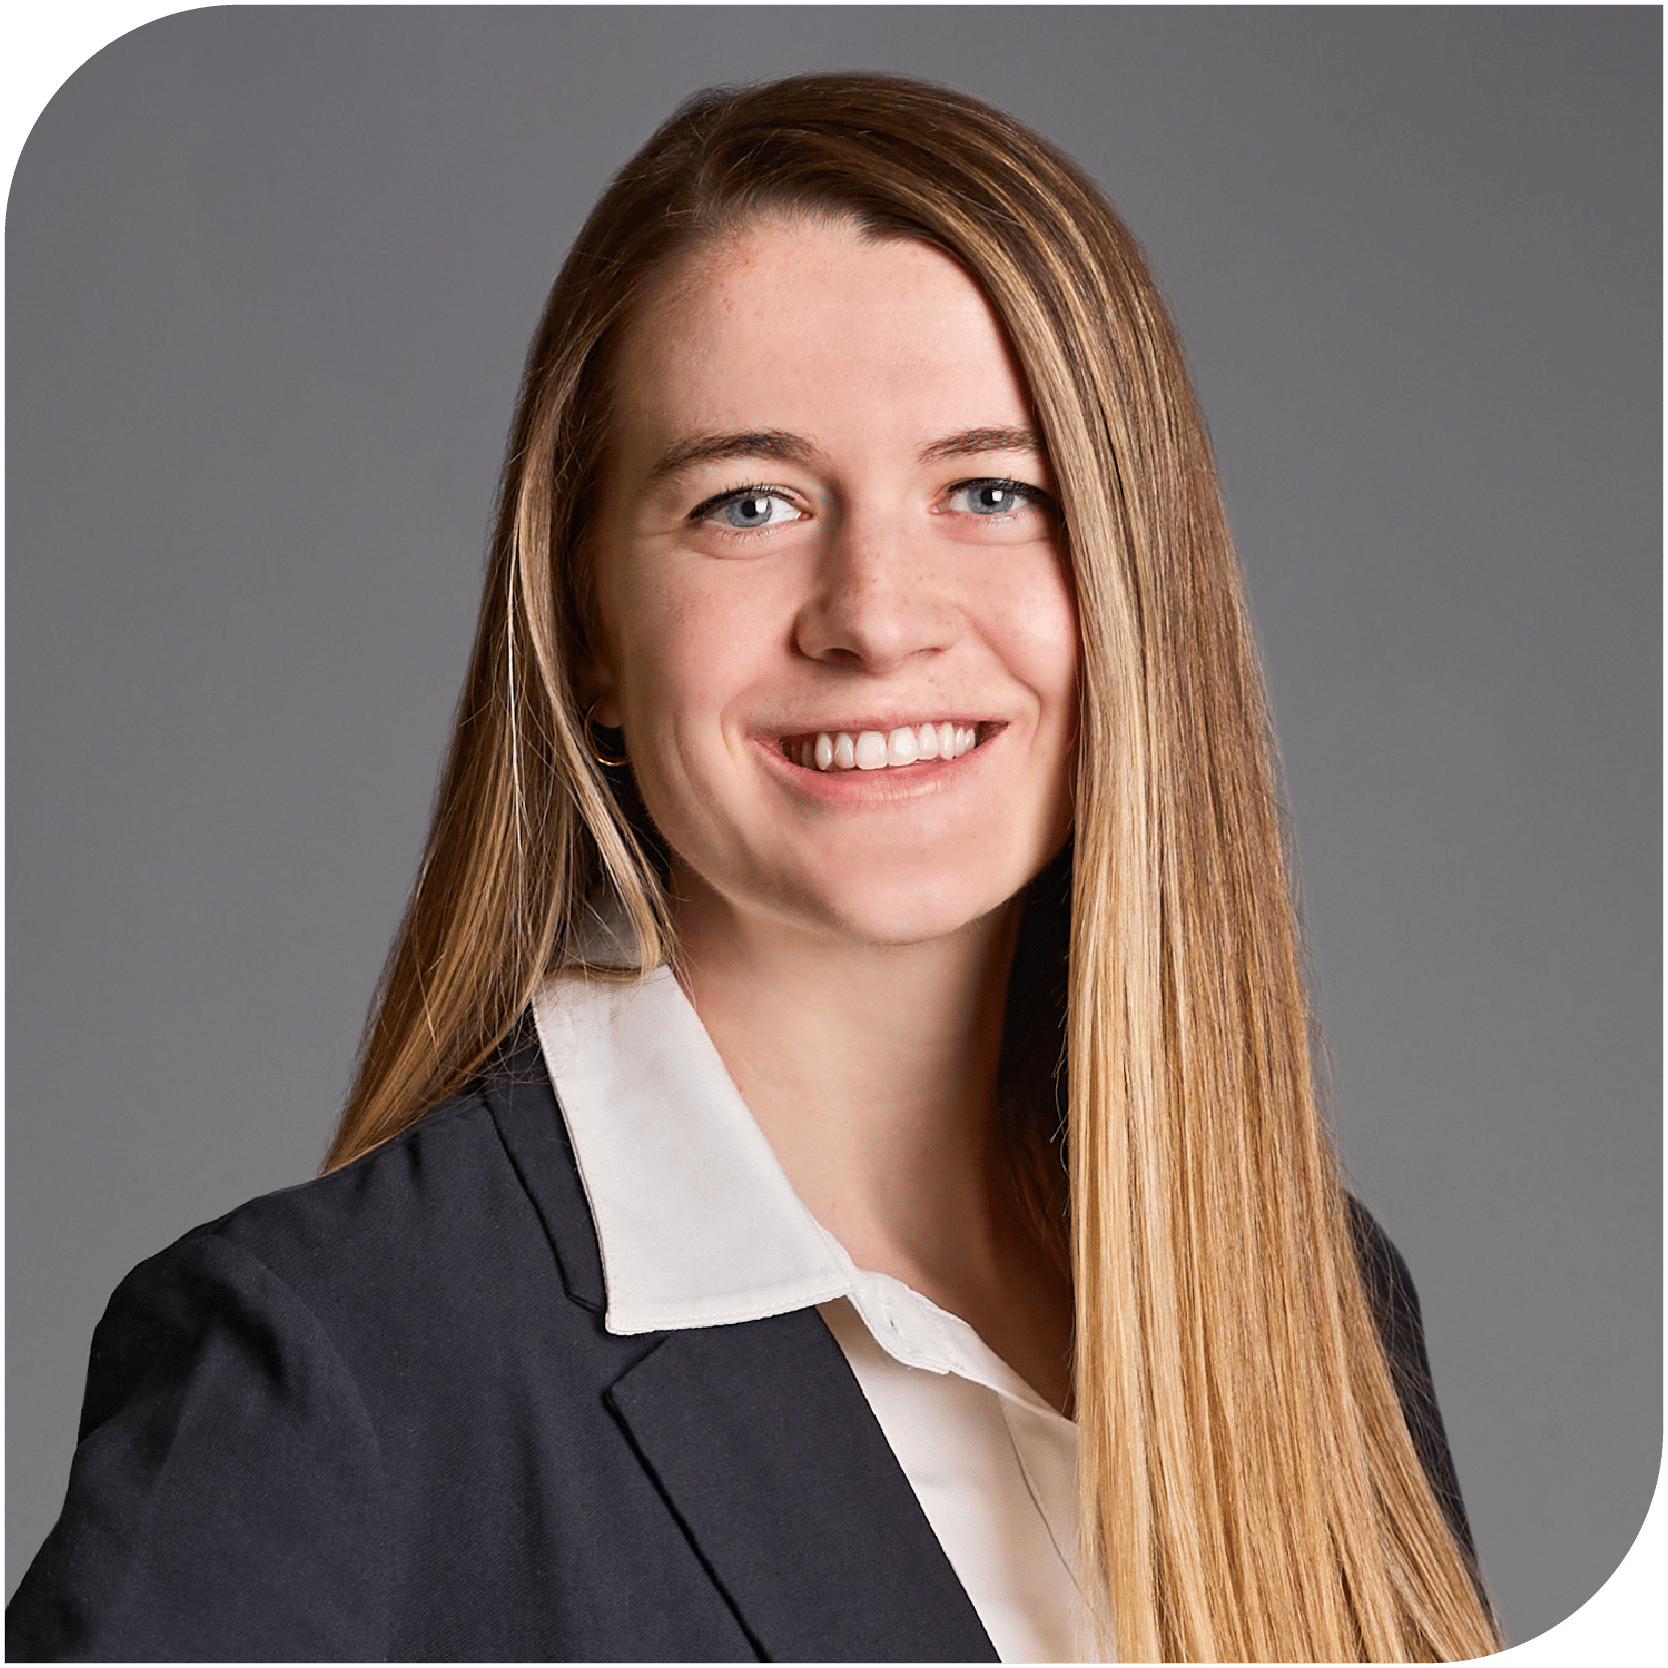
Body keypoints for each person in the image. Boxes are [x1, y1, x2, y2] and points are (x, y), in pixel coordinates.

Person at [5, 72, 1502, 1663]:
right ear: (586, 627)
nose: (876, 612)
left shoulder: (1314, 1303)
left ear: (1140, 581)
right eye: (750, 503)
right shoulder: (329, 1364)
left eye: (993, 492)